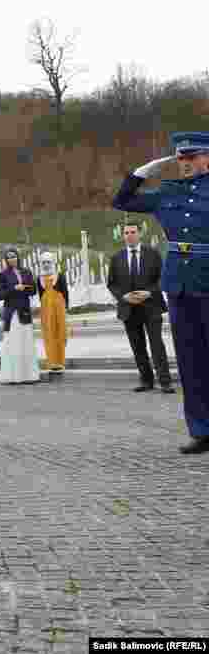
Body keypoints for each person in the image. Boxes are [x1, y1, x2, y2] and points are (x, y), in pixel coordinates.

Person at [113, 131, 209, 453]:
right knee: (190, 361)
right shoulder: (167, 192)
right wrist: (140, 174)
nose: (186, 163)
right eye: (181, 158)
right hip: (179, 284)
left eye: (193, 157)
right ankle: (202, 430)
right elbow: (122, 201)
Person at [106, 223, 173, 393]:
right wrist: (123, 296)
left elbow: (162, 277)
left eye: (133, 232)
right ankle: (146, 381)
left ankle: (165, 382)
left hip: (151, 306)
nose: (129, 235)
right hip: (129, 308)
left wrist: (149, 292)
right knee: (137, 346)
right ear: (123, 235)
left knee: (156, 344)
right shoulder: (116, 258)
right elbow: (112, 283)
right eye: (126, 232)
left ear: (139, 234)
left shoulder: (153, 254)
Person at [0, 249, 40, 385]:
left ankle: (28, 375)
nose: (12, 259)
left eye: (14, 257)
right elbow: (0, 295)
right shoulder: (3, 275)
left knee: (26, 341)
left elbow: (33, 290)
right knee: (13, 342)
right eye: (8, 258)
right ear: (6, 260)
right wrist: (14, 288)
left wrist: (24, 288)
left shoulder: (26, 272)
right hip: (12, 313)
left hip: (24, 311)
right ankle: (12, 375)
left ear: (18, 257)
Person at [36, 251, 69, 373]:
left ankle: (60, 361)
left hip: (59, 308)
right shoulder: (39, 278)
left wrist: (66, 308)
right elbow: (41, 295)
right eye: (43, 262)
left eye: (48, 262)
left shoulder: (60, 276)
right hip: (46, 310)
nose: (46, 264)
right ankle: (51, 361)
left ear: (52, 262)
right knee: (48, 334)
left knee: (60, 333)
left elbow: (65, 293)